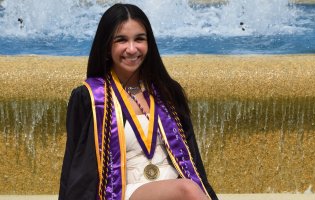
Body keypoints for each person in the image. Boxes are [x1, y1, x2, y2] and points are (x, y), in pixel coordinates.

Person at [59, 3, 218, 200]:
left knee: (188, 187)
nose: (132, 49)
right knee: (187, 189)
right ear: (107, 47)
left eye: (139, 39)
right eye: (121, 40)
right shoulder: (91, 98)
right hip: (126, 191)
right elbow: (79, 167)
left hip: (175, 186)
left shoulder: (167, 91)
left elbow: (192, 160)